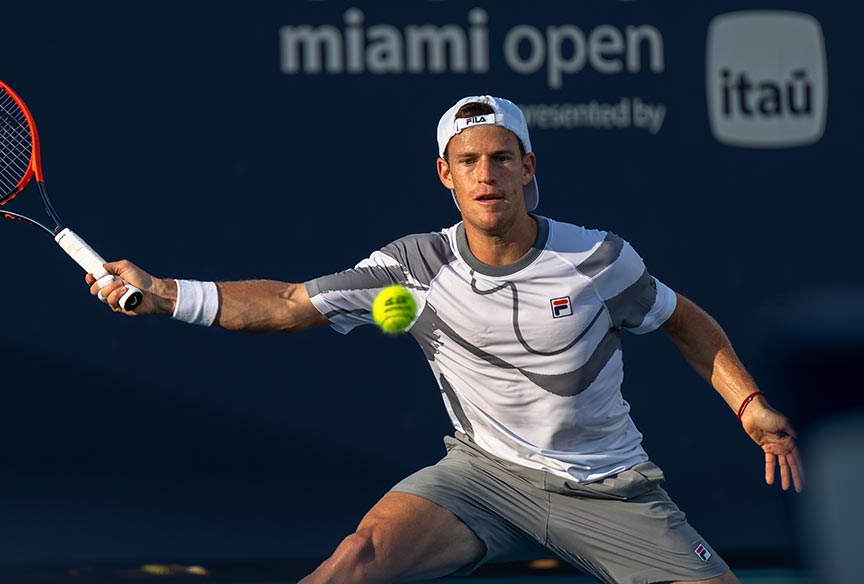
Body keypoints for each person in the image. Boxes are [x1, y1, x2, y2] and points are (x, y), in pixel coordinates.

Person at [88, 95, 804, 584]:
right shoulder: (412, 266)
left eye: (501, 158)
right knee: (356, 561)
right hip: (481, 481)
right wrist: (163, 295)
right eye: (469, 162)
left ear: (528, 169)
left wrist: (749, 406)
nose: (486, 174)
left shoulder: (598, 260)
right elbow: (285, 303)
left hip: (608, 491)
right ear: (446, 176)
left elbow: (684, 320)